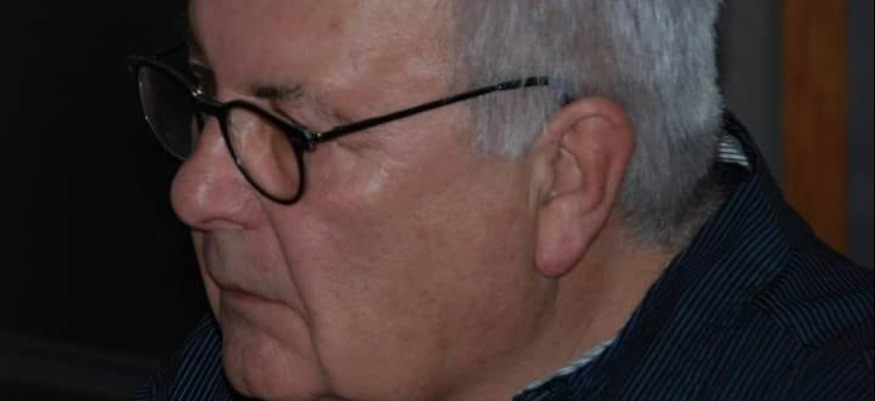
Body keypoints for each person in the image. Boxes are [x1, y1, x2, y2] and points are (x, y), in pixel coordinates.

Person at [131, 0, 874, 400]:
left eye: (294, 133)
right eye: (204, 92)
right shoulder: (269, 352)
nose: (195, 191)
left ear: (566, 180)